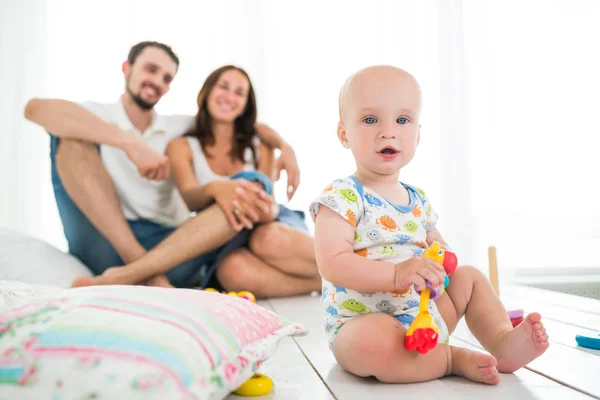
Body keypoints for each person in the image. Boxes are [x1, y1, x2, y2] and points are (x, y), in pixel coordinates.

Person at [310, 65, 549, 385]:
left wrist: (441, 263)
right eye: (370, 120)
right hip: (365, 321)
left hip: (427, 316)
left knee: (471, 277)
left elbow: (441, 251)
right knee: (368, 342)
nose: (388, 131)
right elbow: (332, 264)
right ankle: (449, 359)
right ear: (344, 134)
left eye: (402, 120)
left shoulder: (418, 199)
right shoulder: (342, 196)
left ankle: (502, 340)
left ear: (417, 135)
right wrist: (397, 274)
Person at [23, 41, 303, 291]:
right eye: (151, 69)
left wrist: (284, 146)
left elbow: (240, 123)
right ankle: (140, 272)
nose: (156, 81)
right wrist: (130, 143)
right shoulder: (97, 115)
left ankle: (137, 273)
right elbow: (35, 109)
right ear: (127, 68)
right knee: (71, 140)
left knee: (238, 192)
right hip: (106, 245)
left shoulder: (177, 127)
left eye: (166, 77)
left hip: (168, 248)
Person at [162, 65, 320, 298]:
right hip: (222, 234)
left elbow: (265, 206)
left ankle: (364, 270)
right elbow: (190, 199)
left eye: (239, 92)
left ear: (246, 104)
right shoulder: (182, 146)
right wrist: (216, 189)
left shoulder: (260, 144)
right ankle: (326, 284)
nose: (229, 97)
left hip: (267, 222)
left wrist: (284, 146)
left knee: (268, 239)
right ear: (207, 91)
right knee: (231, 272)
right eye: (223, 87)